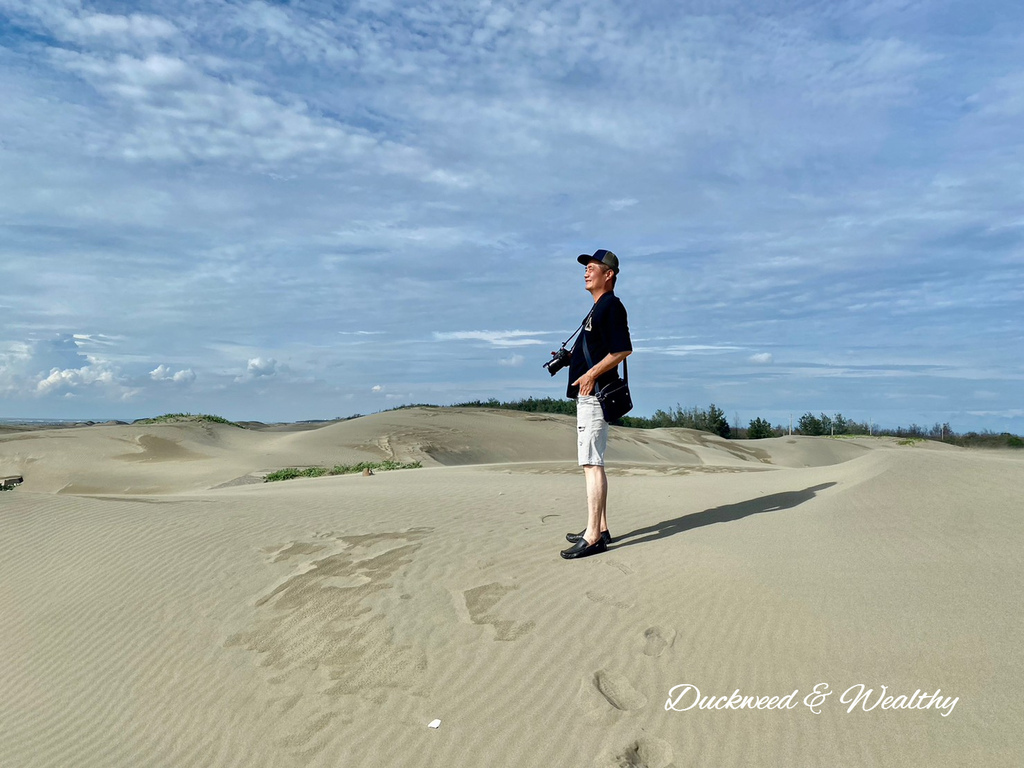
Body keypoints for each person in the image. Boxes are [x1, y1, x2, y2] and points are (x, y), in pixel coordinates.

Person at [560, 249, 632, 559]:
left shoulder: (612, 306)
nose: (586, 273)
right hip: (588, 394)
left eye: (592, 268)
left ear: (609, 274)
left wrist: (589, 374)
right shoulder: (598, 308)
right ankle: (600, 527)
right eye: (585, 269)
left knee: (592, 463)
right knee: (591, 461)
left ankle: (592, 537)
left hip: (595, 394)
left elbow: (622, 350)